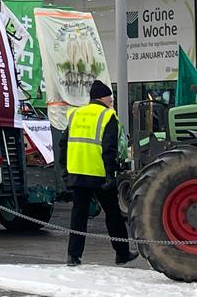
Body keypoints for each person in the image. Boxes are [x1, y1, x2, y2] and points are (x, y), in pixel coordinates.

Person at [57, 80, 139, 267]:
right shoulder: (107, 115)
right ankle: (122, 253)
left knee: (79, 215)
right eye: (110, 96)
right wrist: (111, 175)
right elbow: (109, 148)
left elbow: (63, 144)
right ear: (103, 97)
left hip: (77, 172)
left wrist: (64, 171)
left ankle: (73, 256)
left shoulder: (76, 114)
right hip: (98, 174)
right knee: (113, 214)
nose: (112, 99)